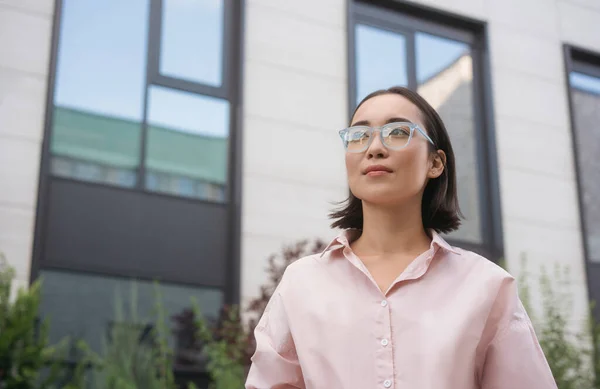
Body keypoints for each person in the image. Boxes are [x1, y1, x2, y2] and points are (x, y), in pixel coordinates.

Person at [245, 86, 556, 389]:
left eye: (397, 132)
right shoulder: (302, 283)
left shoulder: (487, 286)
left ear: (435, 163)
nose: (374, 148)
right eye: (359, 135)